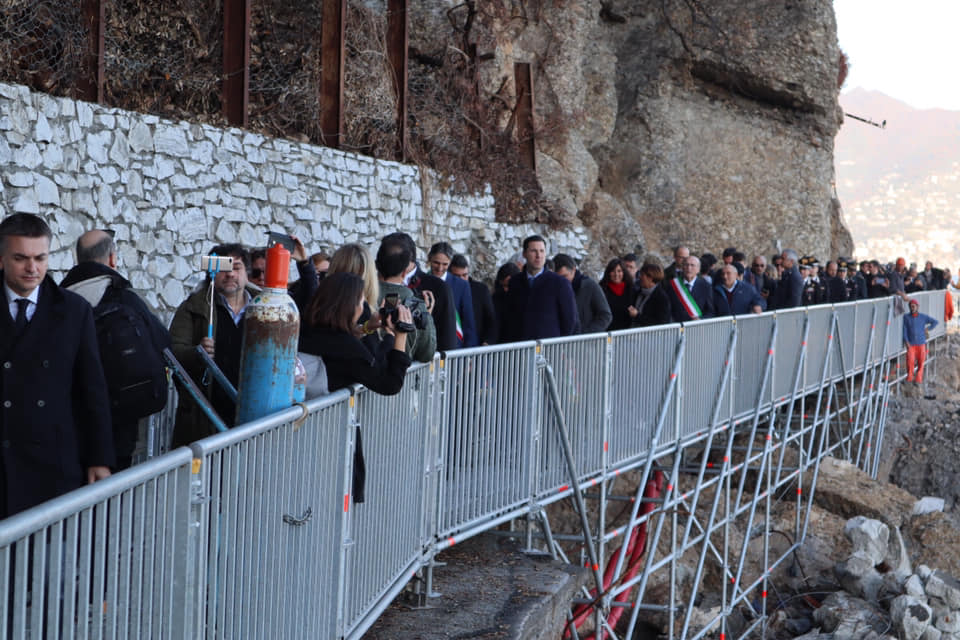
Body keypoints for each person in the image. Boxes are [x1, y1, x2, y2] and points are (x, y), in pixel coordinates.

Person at [0, 213, 113, 518]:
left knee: (47, 560)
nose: (32, 268)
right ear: (2, 259)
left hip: (51, 462)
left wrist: (99, 458)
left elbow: (92, 389)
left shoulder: (74, 312)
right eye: (21, 258)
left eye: (40, 257)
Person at [61, 229, 172, 470]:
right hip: (119, 422)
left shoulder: (58, 299)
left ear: (77, 258)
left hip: (68, 422)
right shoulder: (123, 297)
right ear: (112, 259)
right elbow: (163, 341)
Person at [298, 272, 413, 504]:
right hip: (330, 443)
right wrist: (400, 335)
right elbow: (389, 383)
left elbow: (353, 355)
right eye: (361, 301)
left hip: (300, 434)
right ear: (348, 305)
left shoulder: (306, 326)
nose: (364, 307)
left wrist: (368, 330)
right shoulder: (346, 347)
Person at [169, 243, 258, 446]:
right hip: (203, 418)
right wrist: (197, 353)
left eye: (236, 267)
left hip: (250, 417)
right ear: (211, 273)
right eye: (223, 268)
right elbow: (174, 351)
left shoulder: (262, 311)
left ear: (247, 273)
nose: (230, 274)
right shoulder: (193, 308)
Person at [499, 235, 578, 341]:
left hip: (549, 349)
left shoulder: (560, 283)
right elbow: (509, 316)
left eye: (542, 251)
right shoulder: (515, 282)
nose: (538, 256)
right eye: (533, 251)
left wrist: (560, 345)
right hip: (519, 349)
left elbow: (569, 320)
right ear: (524, 254)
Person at [375, 234, 437, 362]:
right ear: (404, 272)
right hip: (401, 377)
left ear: (377, 264)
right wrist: (427, 316)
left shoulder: (359, 296)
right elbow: (426, 353)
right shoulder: (416, 305)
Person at [428, 242, 478, 348]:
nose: (440, 268)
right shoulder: (421, 281)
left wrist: (469, 354)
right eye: (436, 263)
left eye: (445, 264)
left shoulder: (462, 286)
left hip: (454, 348)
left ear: (450, 263)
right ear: (429, 259)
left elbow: (468, 322)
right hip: (427, 347)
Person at [553, 253, 612, 334]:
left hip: (584, 342)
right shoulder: (553, 288)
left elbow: (605, 315)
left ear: (573, 270)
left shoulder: (590, 286)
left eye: (564, 277)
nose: (561, 282)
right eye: (557, 278)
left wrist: (585, 334)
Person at [449, 254, 498, 345]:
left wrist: (487, 341)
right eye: (457, 276)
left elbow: (491, 319)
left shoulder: (480, 290)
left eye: (464, 275)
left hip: (477, 347)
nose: (462, 280)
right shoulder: (446, 290)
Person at [664, 255, 714, 322]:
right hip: (677, 328)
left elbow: (710, 311)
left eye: (692, 265)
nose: (689, 268)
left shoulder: (706, 286)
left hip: (697, 328)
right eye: (686, 265)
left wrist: (701, 320)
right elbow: (666, 309)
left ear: (698, 269)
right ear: (682, 267)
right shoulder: (672, 285)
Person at [902, 299, 937, 384]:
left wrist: (928, 329)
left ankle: (918, 379)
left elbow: (935, 322)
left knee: (921, 362)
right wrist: (906, 341)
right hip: (911, 344)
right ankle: (909, 378)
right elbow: (904, 330)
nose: (912, 308)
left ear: (917, 307)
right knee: (910, 361)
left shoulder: (923, 317)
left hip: (921, 343)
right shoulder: (906, 317)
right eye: (911, 306)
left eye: (914, 306)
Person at [600, 257, 635, 331]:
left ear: (623, 272)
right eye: (613, 271)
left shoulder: (631, 288)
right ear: (609, 272)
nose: (616, 274)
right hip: (607, 333)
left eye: (619, 271)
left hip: (626, 332)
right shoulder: (602, 288)